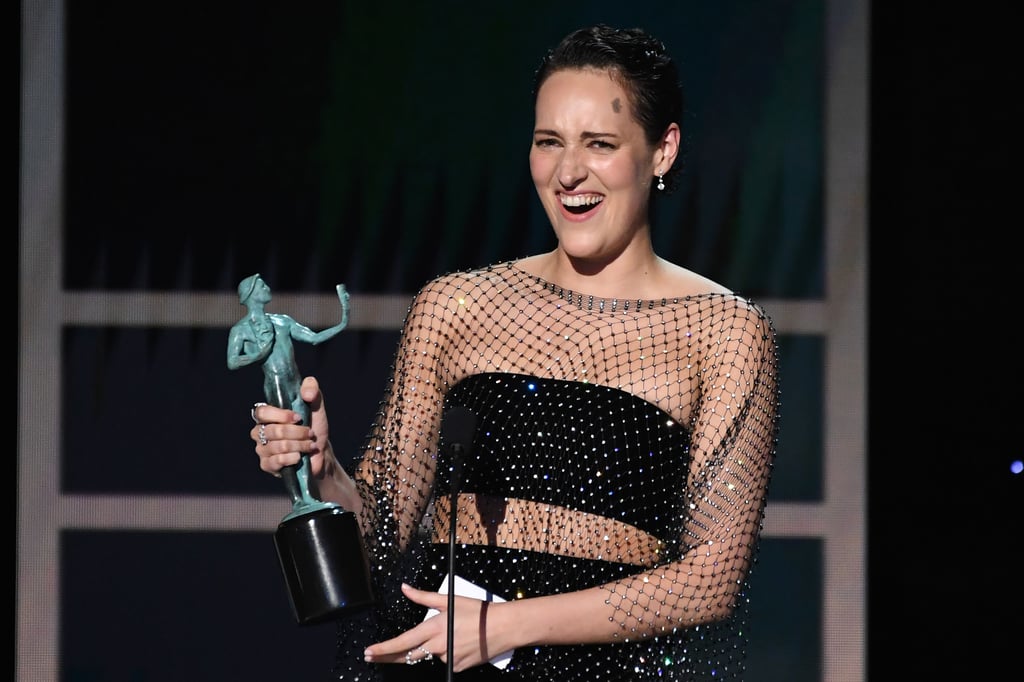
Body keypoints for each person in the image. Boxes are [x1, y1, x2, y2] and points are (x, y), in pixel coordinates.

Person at [249, 24, 780, 681]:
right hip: (438, 659)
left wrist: (505, 626)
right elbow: (380, 542)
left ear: (663, 150)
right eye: (548, 142)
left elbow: (708, 581)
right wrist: (322, 472)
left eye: (601, 145)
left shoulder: (723, 331)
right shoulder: (456, 306)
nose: (568, 172)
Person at [227, 273, 350, 513]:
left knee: (302, 439)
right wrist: (258, 355)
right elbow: (232, 361)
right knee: (289, 442)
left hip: (295, 385)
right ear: (250, 294)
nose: (267, 286)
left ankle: (307, 496)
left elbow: (314, 338)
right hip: (277, 386)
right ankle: (296, 500)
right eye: (261, 285)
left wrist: (343, 319)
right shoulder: (241, 329)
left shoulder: (282, 321)